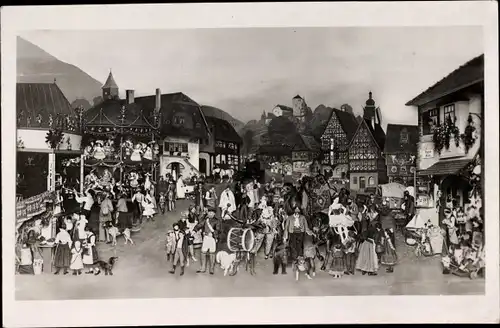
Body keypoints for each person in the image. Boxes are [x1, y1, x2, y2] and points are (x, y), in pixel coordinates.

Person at [194, 207, 221, 275]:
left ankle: (211, 269)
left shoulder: (217, 221)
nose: (210, 214)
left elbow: (218, 230)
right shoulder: (206, 220)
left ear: (214, 213)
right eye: (209, 212)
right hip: (206, 238)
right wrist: (195, 229)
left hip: (212, 239)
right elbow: (200, 225)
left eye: (212, 212)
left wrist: (213, 233)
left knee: (212, 253)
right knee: (203, 252)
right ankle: (203, 268)